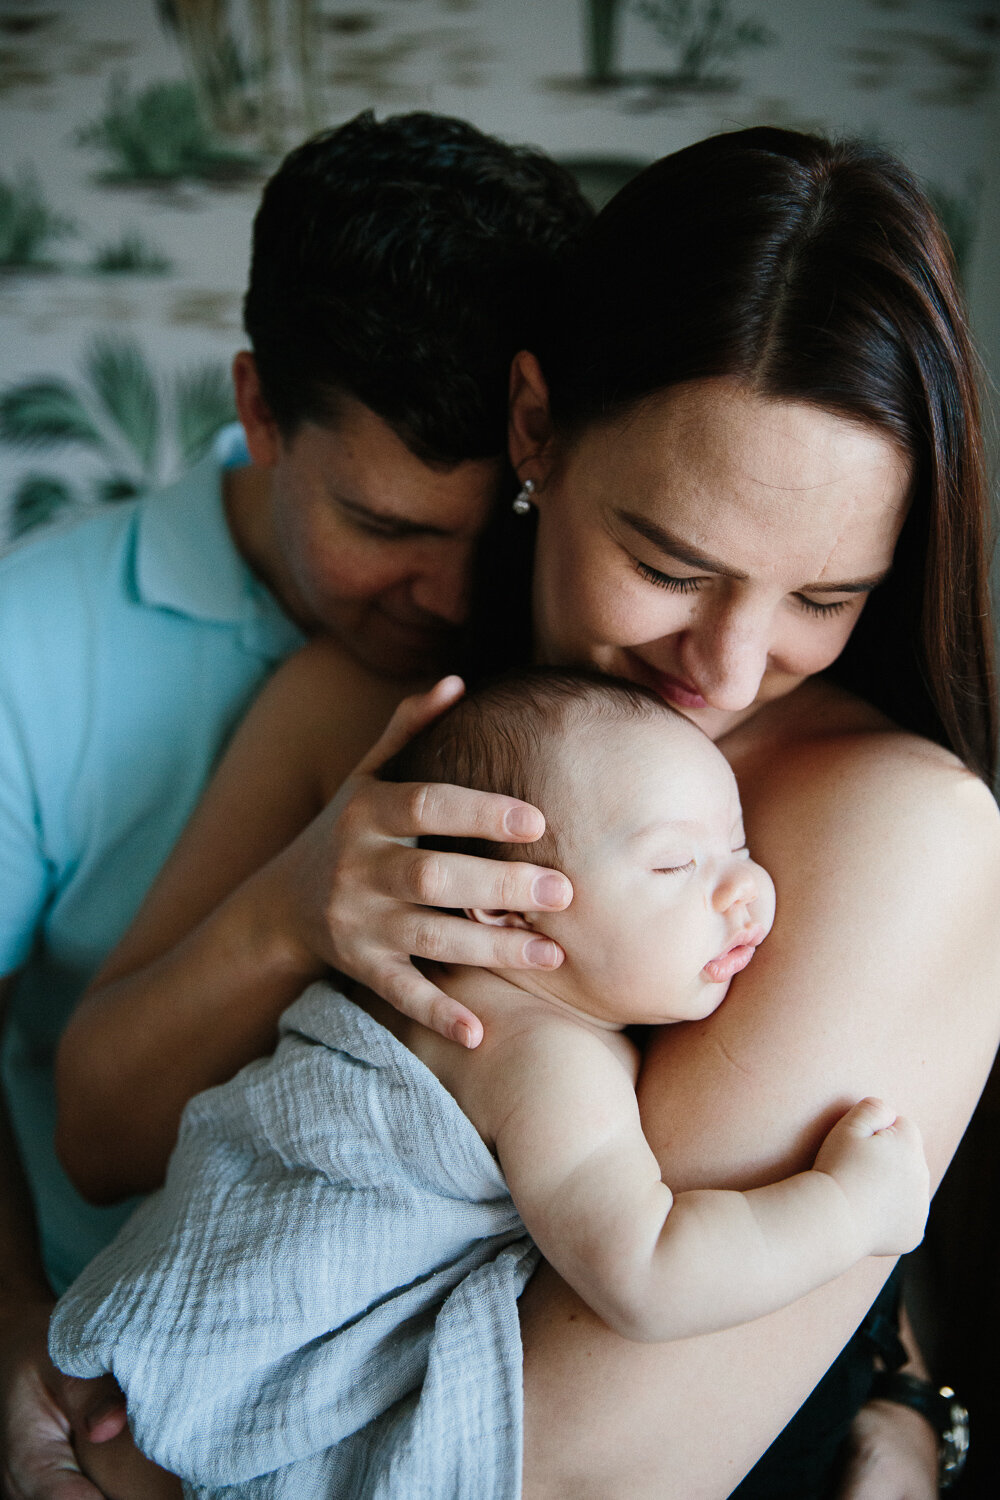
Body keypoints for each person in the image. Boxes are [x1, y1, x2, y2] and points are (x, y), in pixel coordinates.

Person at [52, 126, 1000, 1498]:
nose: (725, 673)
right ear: (537, 425)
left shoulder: (890, 820)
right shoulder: (373, 707)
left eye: (823, 599)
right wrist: (292, 909)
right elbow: (96, 1134)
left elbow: (581, 1462)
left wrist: (909, 1396)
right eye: (668, 562)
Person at [0, 110, 591, 1499]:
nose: (451, 601)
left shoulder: (571, 622)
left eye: (492, 530)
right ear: (260, 410)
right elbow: (82, 1124)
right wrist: (9, 1329)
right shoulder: (28, 645)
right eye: (385, 529)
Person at [48, 669, 928, 1499]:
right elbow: (647, 1270)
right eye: (674, 866)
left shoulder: (431, 991)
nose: (742, 890)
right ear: (506, 908)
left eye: (736, 843)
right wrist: (850, 1211)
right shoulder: (542, 1057)